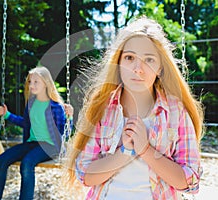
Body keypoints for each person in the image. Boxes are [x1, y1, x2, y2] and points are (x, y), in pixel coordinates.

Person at [66, 16, 204, 200]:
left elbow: (190, 182)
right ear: (119, 62)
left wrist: (146, 150)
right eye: (129, 58)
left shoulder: (176, 112)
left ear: (160, 68)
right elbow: (85, 174)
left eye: (149, 60)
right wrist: (125, 152)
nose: (138, 68)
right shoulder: (102, 108)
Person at [0, 66, 73, 200]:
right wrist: (7, 115)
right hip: (32, 143)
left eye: (35, 82)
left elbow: (65, 134)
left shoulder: (55, 107)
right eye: (30, 82)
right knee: (0, 161)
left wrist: (70, 118)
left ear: (46, 83)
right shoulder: (31, 104)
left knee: (27, 163)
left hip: (50, 146)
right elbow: (26, 123)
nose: (31, 85)